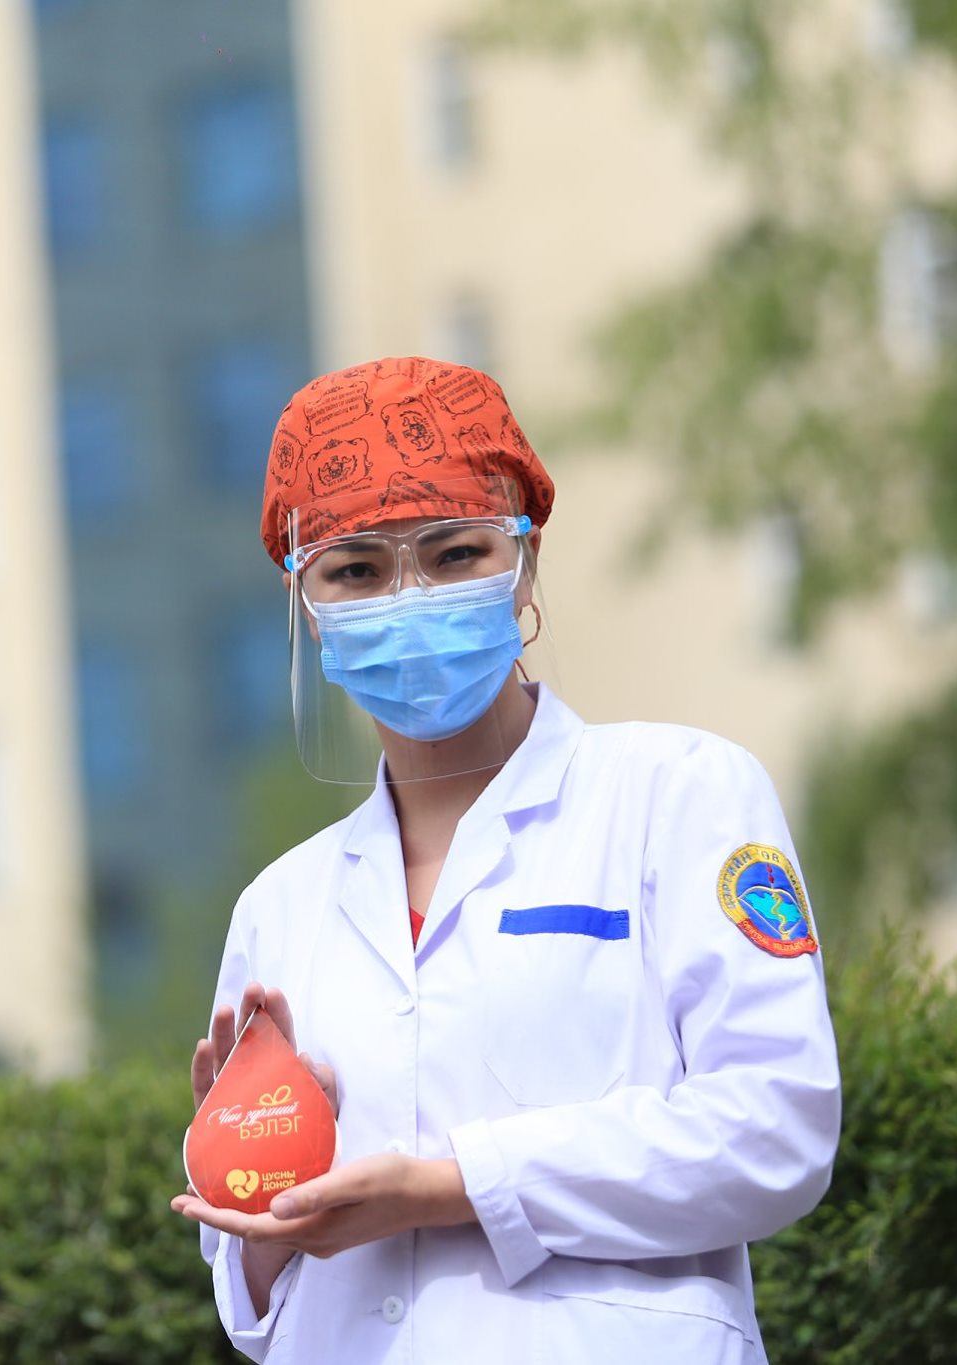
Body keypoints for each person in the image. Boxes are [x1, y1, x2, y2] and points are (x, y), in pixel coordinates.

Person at [169, 357, 841, 1362]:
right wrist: (256, 1190)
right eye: (355, 570)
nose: (408, 598)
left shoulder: (679, 795)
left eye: (454, 553)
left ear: (524, 560)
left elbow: (773, 1132)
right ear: (305, 601)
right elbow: (256, 1307)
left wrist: (447, 1187)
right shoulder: (279, 906)